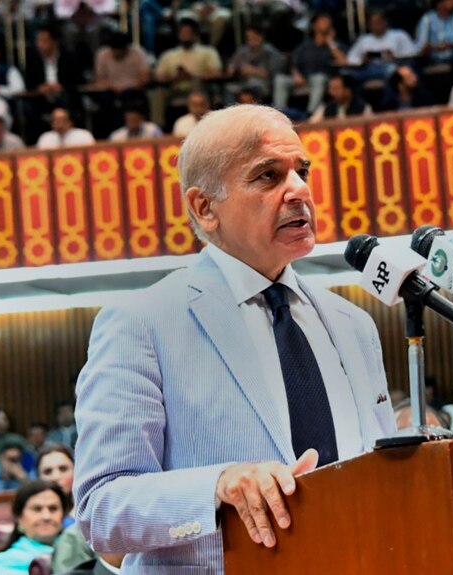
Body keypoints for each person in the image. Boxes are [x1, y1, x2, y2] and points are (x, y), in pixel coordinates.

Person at [73, 104, 396, 571]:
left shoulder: (353, 324)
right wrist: (217, 485)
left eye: (301, 171)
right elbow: (103, 510)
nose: (300, 190)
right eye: (268, 176)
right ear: (205, 208)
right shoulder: (140, 322)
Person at [273, 12, 347, 113]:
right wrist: (296, 74)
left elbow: (344, 61)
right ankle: (278, 114)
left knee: (318, 78)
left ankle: (310, 114)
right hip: (304, 79)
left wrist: (330, 42)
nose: (327, 23)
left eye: (329, 22)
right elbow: (293, 64)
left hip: (325, 80)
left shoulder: (335, 45)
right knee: (280, 79)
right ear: (314, 25)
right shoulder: (305, 46)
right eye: (323, 21)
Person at [0, 480, 66, 574]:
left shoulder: (80, 552)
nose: (46, 516)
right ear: (19, 518)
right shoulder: (3, 562)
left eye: (53, 508)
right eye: (37, 509)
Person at [346, 11, 417, 81]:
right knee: (351, 75)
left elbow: (411, 53)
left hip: (392, 68)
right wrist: (362, 60)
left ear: (385, 22)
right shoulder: (363, 40)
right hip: (369, 69)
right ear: (369, 25)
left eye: (378, 22)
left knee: (392, 72)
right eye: (373, 23)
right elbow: (350, 58)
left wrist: (395, 57)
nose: (376, 26)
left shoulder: (399, 35)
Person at [224, 24, 284, 103]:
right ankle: (230, 114)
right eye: (248, 38)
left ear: (261, 36)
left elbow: (273, 75)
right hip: (243, 82)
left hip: (261, 84)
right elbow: (232, 66)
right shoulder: (242, 51)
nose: (251, 40)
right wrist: (232, 68)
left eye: (253, 37)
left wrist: (254, 71)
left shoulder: (271, 52)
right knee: (228, 89)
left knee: (251, 92)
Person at [414, 0, 453, 68]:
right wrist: (432, 47)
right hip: (433, 58)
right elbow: (419, 47)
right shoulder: (427, 18)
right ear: (440, 2)